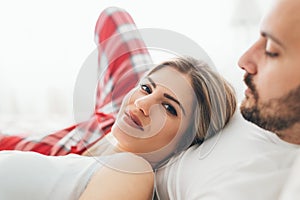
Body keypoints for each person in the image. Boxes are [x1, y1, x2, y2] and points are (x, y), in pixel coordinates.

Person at [0, 56, 237, 199]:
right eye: (146, 88)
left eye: (168, 107)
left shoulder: (133, 171)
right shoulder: (107, 148)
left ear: (187, 141)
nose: (143, 104)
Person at [155, 0, 300, 199]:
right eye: (260, 37)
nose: (244, 60)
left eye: (271, 50)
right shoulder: (260, 105)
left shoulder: (249, 185)